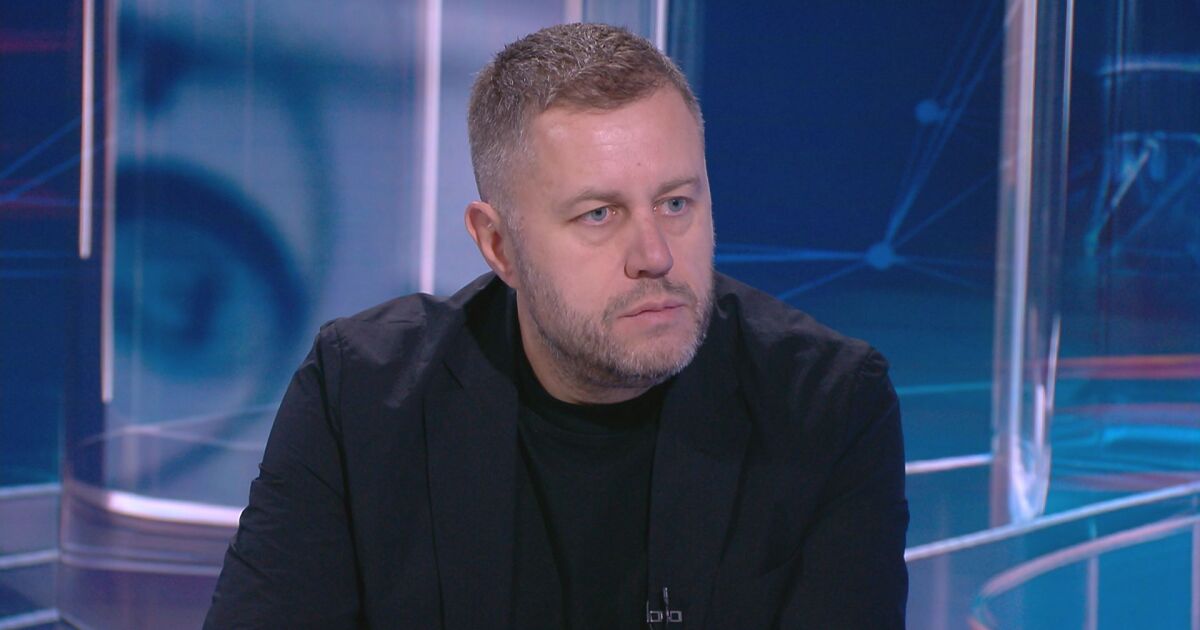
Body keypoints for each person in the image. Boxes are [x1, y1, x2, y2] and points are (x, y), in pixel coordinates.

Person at [205, 23, 908, 629]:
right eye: (599, 214)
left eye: (675, 203)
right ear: (499, 245)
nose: (655, 255)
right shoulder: (361, 395)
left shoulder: (828, 405)